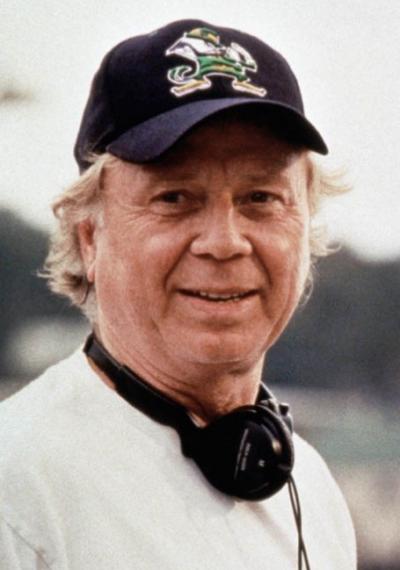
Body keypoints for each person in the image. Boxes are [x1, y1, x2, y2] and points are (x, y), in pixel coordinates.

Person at [0, 19, 356, 569]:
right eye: (174, 198)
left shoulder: (312, 491)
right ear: (89, 239)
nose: (225, 243)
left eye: (261, 198)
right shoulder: (17, 490)